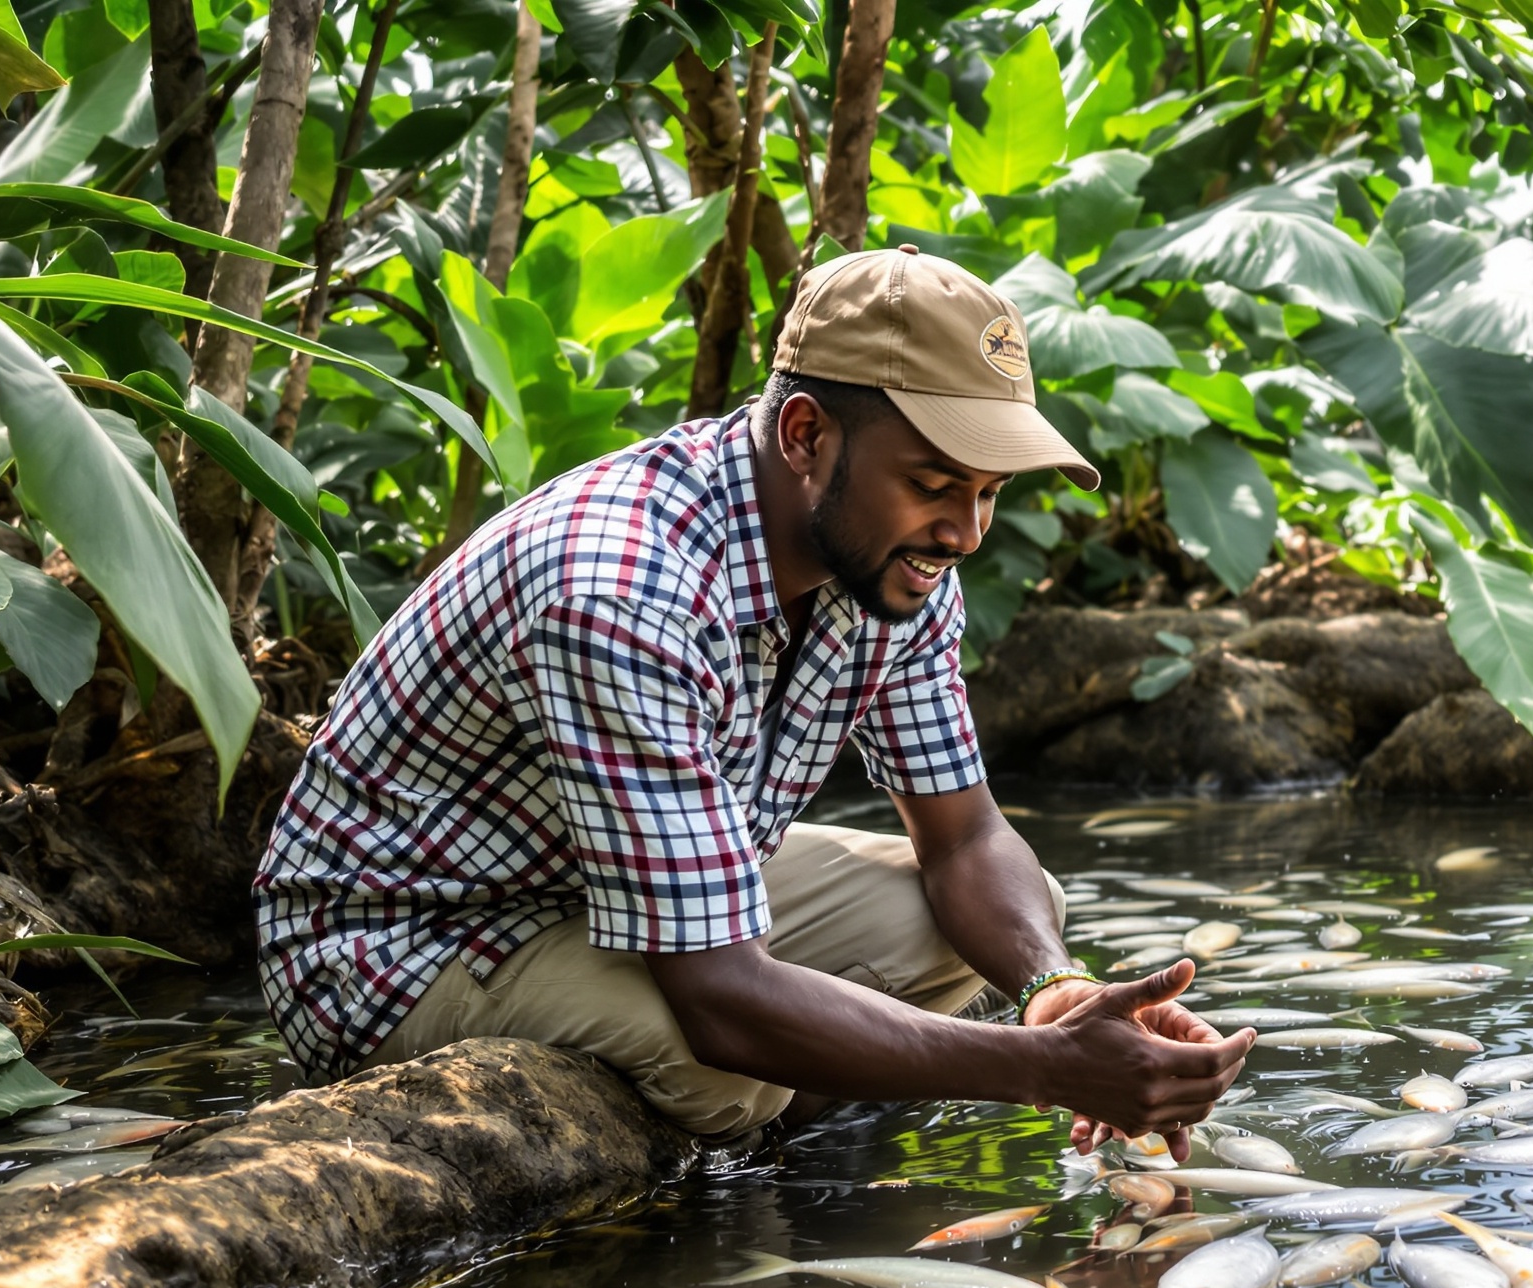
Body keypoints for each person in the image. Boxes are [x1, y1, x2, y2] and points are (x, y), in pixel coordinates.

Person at [255, 246, 1250, 1152]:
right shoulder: (624, 588)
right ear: (807, 433)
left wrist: (1055, 993)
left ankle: (778, 1120)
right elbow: (725, 998)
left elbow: (966, 839)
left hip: (604, 894)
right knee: (732, 1068)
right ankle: (742, 1139)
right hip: (409, 941)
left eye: (987, 491)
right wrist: (1045, 1069)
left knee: (982, 928)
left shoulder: (887, 561)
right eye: (936, 481)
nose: (965, 534)